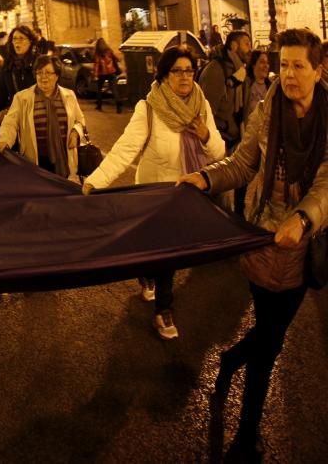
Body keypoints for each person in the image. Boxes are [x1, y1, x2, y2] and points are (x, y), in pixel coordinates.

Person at [177, 28, 327, 460]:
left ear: (318, 69)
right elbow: (243, 163)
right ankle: (246, 436)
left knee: (271, 336)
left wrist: (302, 218)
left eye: (299, 65)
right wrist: (206, 177)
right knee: (271, 338)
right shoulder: (266, 110)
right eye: (284, 65)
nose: (290, 74)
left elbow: (326, 182)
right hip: (262, 238)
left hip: (304, 243)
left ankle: (230, 365)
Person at [83, 46, 225, 339]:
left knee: (168, 254)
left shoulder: (201, 105)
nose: (185, 76)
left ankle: (149, 276)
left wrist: (206, 136)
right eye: (177, 71)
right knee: (166, 255)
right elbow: (124, 150)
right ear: (164, 74)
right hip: (155, 196)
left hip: (186, 194)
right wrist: (94, 182)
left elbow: (220, 152)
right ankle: (163, 310)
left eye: (189, 70)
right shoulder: (149, 108)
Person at [0, 55, 85, 181]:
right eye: (39, 73)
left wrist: (76, 132)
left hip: (65, 158)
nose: (44, 77)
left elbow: (80, 120)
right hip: (35, 160)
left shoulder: (69, 95)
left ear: (57, 75)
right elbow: (10, 123)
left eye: (48, 73)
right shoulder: (22, 98)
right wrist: (4, 140)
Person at [199, 30, 253, 149]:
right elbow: (207, 111)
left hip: (235, 138)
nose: (250, 49)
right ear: (234, 46)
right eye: (247, 44)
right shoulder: (216, 70)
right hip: (221, 140)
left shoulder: (240, 72)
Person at [0, 25, 40, 122]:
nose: (17, 42)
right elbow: (2, 89)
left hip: (37, 114)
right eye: (14, 39)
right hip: (15, 116)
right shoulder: (9, 64)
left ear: (30, 41)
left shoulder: (39, 62)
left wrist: (10, 111)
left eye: (21, 38)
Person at [93, 38, 123, 113]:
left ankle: (99, 106)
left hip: (102, 74)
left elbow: (97, 64)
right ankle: (118, 104)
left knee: (99, 89)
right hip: (111, 72)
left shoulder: (98, 53)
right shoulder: (109, 51)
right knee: (114, 89)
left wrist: (95, 75)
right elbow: (117, 58)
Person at [245, 50, 273, 123]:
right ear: (253, 65)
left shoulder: (271, 87)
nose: (266, 66)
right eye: (262, 62)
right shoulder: (246, 86)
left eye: (267, 63)